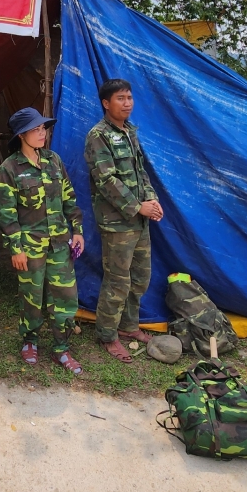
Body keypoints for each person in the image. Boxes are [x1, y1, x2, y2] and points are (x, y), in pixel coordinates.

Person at [0, 107, 85, 375]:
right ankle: (30, 341)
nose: (42, 132)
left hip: (60, 244)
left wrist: (77, 229)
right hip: (30, 247)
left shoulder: (54, 161)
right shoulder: (9, 168)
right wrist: (16, 249)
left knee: (66, 296)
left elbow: (69, 197)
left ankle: (61, 348)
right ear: (22, 134)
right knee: (31, 298)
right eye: (36, 129)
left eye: (43, 128)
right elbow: (6, 215)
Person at [83, 79, 161, 362]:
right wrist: (138, 207)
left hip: (140, 219)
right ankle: (107, 335)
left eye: (129, 97)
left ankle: (128, 327)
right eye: (120, 98)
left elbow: (141, 173)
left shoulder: (130, 132)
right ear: (106, 103)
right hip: (118, 222)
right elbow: (106, 180)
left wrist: (151, 201)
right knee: (117, 281)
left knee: (140, 278)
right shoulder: (98, 136)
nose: (127, 103)